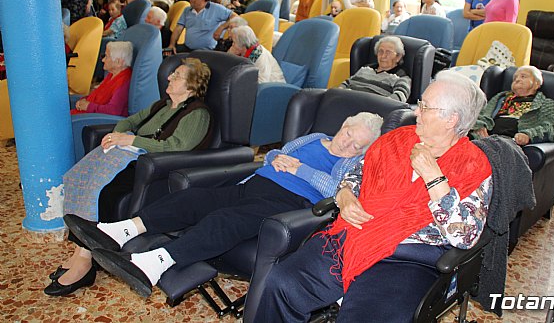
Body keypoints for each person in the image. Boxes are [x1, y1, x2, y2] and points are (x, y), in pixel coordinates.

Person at [253, 71, 532, 322]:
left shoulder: (473, 166)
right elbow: (355, 176)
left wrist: (434, 177)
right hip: (354, 237)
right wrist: (346, 196)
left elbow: (465, 237)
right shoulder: (395, 140)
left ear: (452, 119)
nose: (417, 111)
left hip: (408, 259)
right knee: (282, 282)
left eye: (425, 106)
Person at [65, 113, 384, 298]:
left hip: (289, 204)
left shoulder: (350, 164)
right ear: (343, 124)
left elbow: (338, 191)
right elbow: (274, 155)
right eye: (348, 134)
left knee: (228, 219)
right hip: (256, 184)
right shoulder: (315, 137)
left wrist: (301, 169)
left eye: (358, 145)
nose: (347, 144)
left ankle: (154, 263)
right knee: (195, 198)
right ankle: (121, 230)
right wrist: (280, 160)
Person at [44, 58, 213, 297]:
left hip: (156, 166)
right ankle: (80, 250)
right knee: (79, 177)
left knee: (104, 191)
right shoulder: (162, 106)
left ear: (192, 86)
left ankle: (84, 260)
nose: (169, 78)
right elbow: (131, 120)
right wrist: (118, 134)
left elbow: (178, 146)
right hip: (133, 157)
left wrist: (131, 140)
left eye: (176, 76)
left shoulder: (198, 114)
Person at [470, 65, 554, 145]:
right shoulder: (500, 98)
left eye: (523, 76)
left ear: (537, 84)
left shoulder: (545, 104)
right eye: (515, 78)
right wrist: (480, 126)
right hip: (486, 139)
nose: (517, 79)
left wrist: (528, 135)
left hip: (510, 142)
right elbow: (482, 115)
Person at [338, 36, 411, 103]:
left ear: (398, 57)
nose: (383, 56)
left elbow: (397, 100)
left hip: (370, 110)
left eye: (388, 52)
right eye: (380, 51)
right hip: (347, 102)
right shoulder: (365, 69)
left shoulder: (402, 77)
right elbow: (346, 83)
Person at [167, 0, 237, 54]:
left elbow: (235, 16)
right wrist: (172, 45)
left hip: (207, 52)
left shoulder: (216, 8)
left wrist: (222, 27)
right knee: (168, 55)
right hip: (187, 49)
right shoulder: (187, 10)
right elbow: (178, 29)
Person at [71, 41, 133, 117]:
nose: (103, 60)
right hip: (84, 114)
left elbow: (114, 110)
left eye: (106, 56)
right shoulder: (112, 74)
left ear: (118, 62)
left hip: (92, 119)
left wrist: (88, 106)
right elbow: (97, 95)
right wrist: (84, 100)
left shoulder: (124, 81)